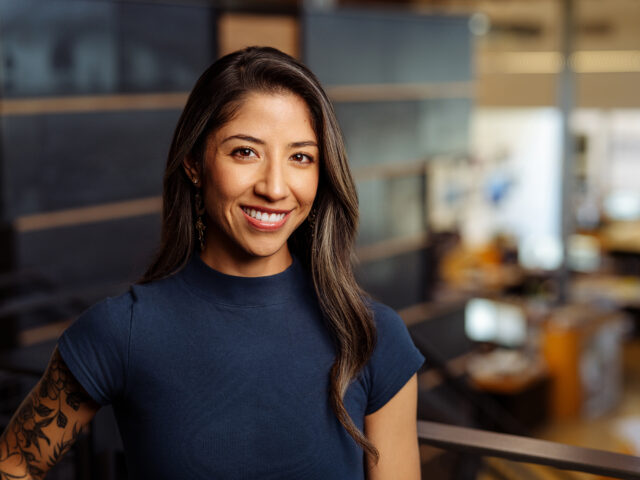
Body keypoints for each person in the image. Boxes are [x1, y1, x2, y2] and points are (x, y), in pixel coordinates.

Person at [0, 46, 425, 479]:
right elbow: (12, 466)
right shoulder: (122, 331)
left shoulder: (372, 337)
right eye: (245, 152)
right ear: (194, 163)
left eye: (301, 157)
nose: (275, 188)